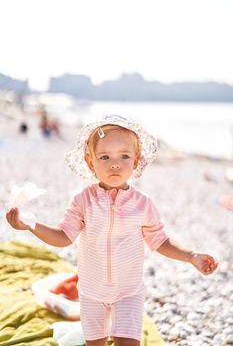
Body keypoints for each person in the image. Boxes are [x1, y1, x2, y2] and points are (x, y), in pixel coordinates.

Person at [6, 115, 218, 346]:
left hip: (128, 293)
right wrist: (31, 225)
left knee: (127, 342)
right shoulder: (83, 200)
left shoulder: (142, 204)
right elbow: (63, 236)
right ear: (91, 163)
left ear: (135, 161)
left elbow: (160, 241)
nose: (114, 164)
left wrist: (191, 256)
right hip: (91, 293)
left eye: (124, 156)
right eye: (105, 157)